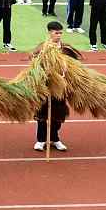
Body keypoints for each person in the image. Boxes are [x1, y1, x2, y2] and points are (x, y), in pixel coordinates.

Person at [31, 21, 80, 151]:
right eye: (56, 33)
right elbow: (33, 60)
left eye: (60, 33)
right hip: (45, 86)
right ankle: (41, 140)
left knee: (58, 114)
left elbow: (75, 65)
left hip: (61, 87)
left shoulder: (66, 49)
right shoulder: (43, 48)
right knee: (42, 114)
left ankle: (54, 139)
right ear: (49, 33)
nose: (58, 35)